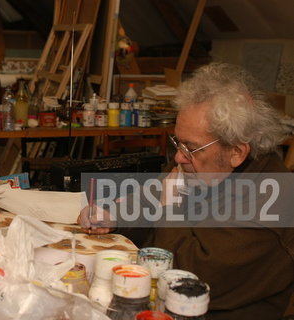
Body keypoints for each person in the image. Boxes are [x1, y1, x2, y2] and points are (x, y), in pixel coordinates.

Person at [78, 63, 294, 319]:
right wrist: (113, 214)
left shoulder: (271, 203)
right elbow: (155, 195)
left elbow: (186, 275)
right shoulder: (204, 162)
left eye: (191, 147)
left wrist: (169, 209)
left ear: (236, 151)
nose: (179, 157)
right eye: (178, 143)